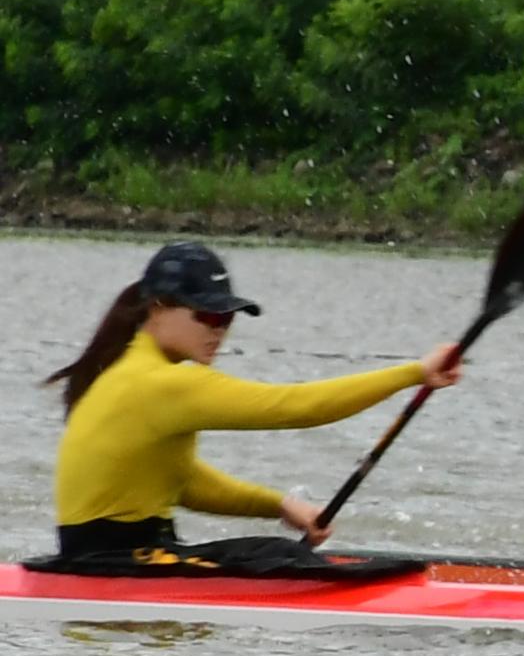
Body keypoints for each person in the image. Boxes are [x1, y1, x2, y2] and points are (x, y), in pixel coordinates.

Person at [33, 241, 458, 579]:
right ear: (158, 308)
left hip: (111, 559)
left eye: (227, 319)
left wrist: (279, 506)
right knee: (276, 555)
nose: (219, 330)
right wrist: (414, 373)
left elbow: (183, 482)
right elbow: (297, 407)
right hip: (114, 565)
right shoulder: (162, 383)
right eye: (207, 315)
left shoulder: (130, 372)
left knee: (276, 552)